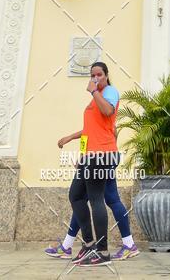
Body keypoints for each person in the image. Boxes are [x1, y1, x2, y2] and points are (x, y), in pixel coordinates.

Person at [54, 61, 137, 266]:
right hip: (91, 155)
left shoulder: (110, 92)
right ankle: (89, 244)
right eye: (92, 75)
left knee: (98, 199)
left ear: (106, 75)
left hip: (102, 155)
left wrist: (94, 92)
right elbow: (91, 130)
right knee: (75, 195)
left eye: (99, 74)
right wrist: (73, 142)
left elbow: (108, 112)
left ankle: (102, 251)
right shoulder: (96, 99)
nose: (95, 78)